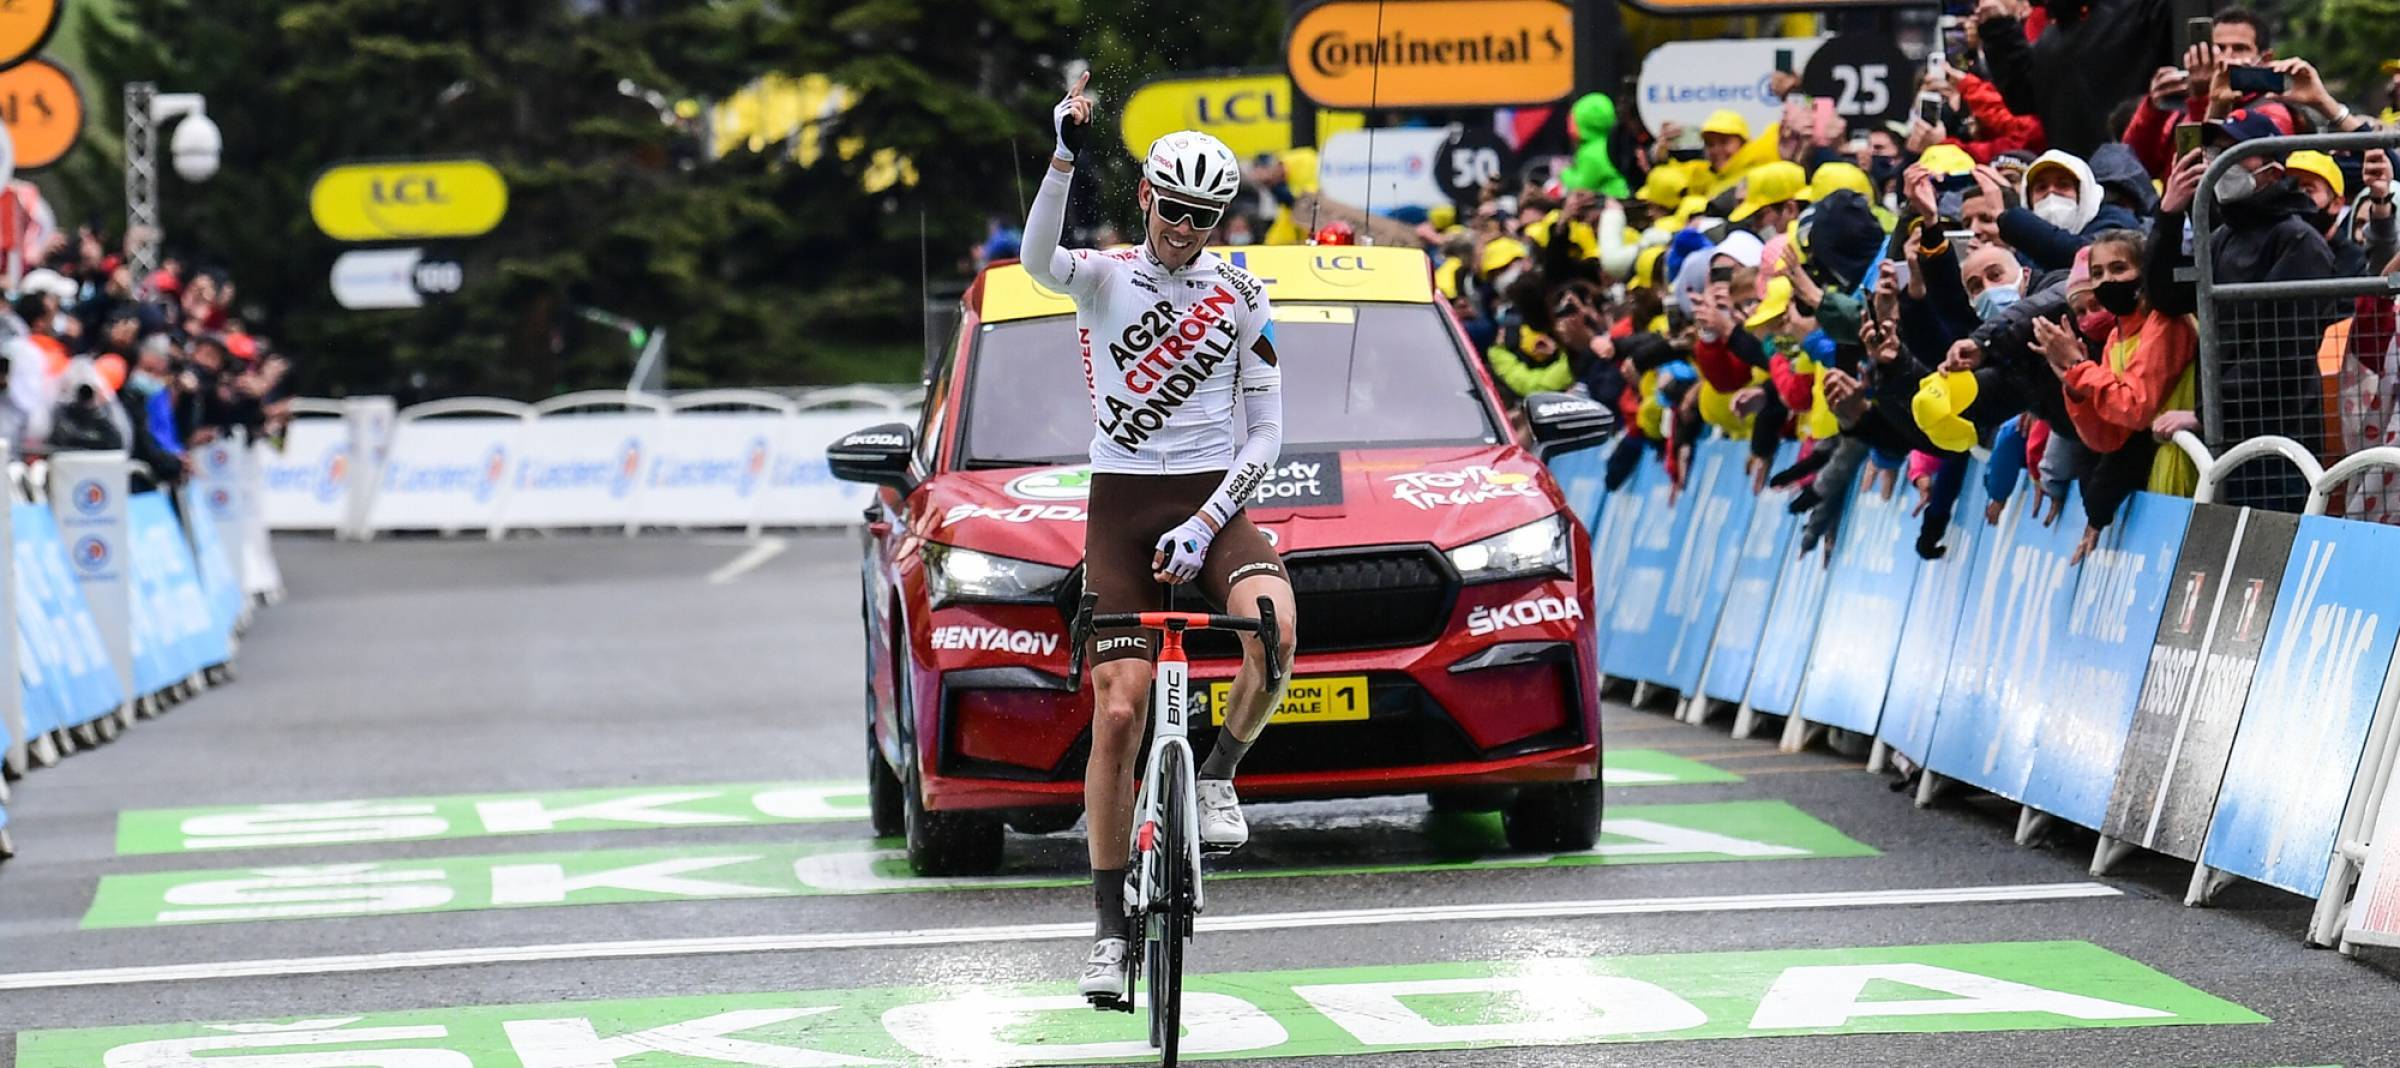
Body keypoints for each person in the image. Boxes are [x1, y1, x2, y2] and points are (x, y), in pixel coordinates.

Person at [1023, 73, 1300, 1002]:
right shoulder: (1101, 277)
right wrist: (1065, 151)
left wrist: (1212, 518)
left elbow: (1266, 431)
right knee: (1119, 710)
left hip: (1209, 504)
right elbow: (1033, 259)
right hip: (1123, 505)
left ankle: (1218, 776)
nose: (1187, 228)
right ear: (1147, 197)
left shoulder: (1241, 294)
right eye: (1175, 208)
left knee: (1277, 629)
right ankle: (1106, 929)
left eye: (1206, 215)